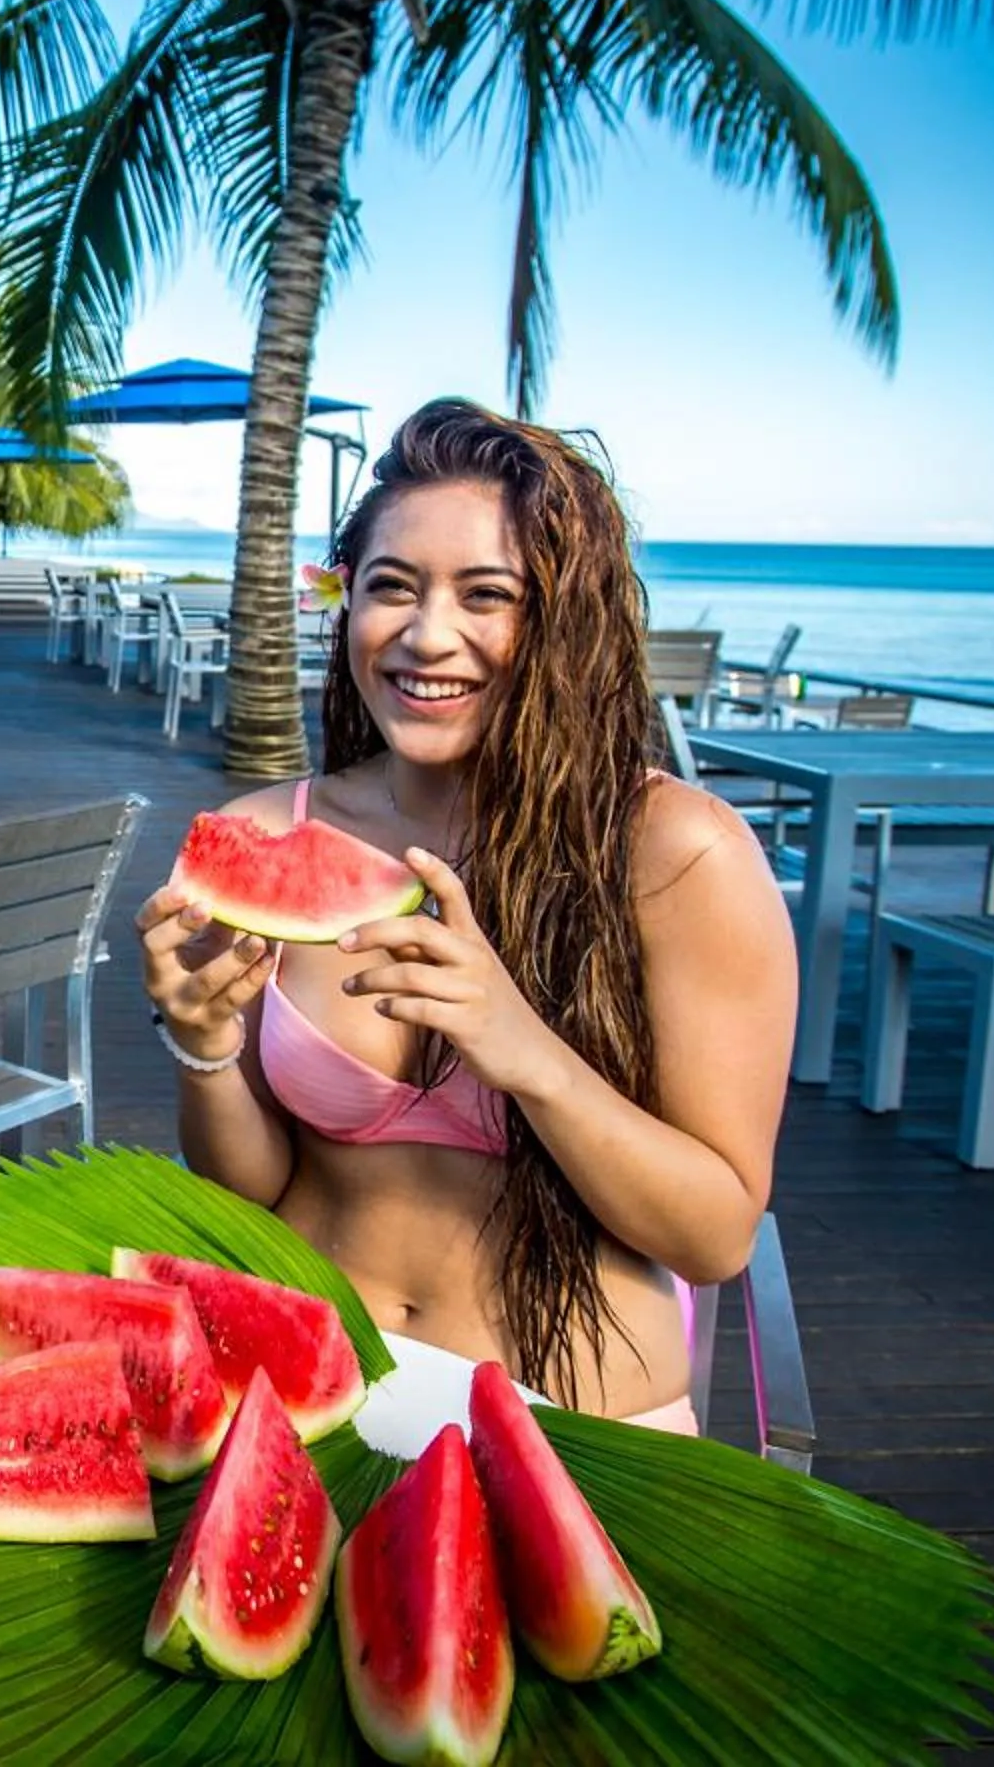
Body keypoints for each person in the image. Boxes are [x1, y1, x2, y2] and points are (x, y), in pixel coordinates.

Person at [136, 400, 796, 1429]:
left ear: (563, 624)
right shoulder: (265, 826)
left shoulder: (680, 854)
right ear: (347, 604)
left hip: (573, 1426)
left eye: (486, 595)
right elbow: (251, 1189)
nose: (424, 634)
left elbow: (714, 1236)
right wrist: (206, 1044)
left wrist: (522, 1048)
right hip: (304, 1391)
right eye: (390, 587)